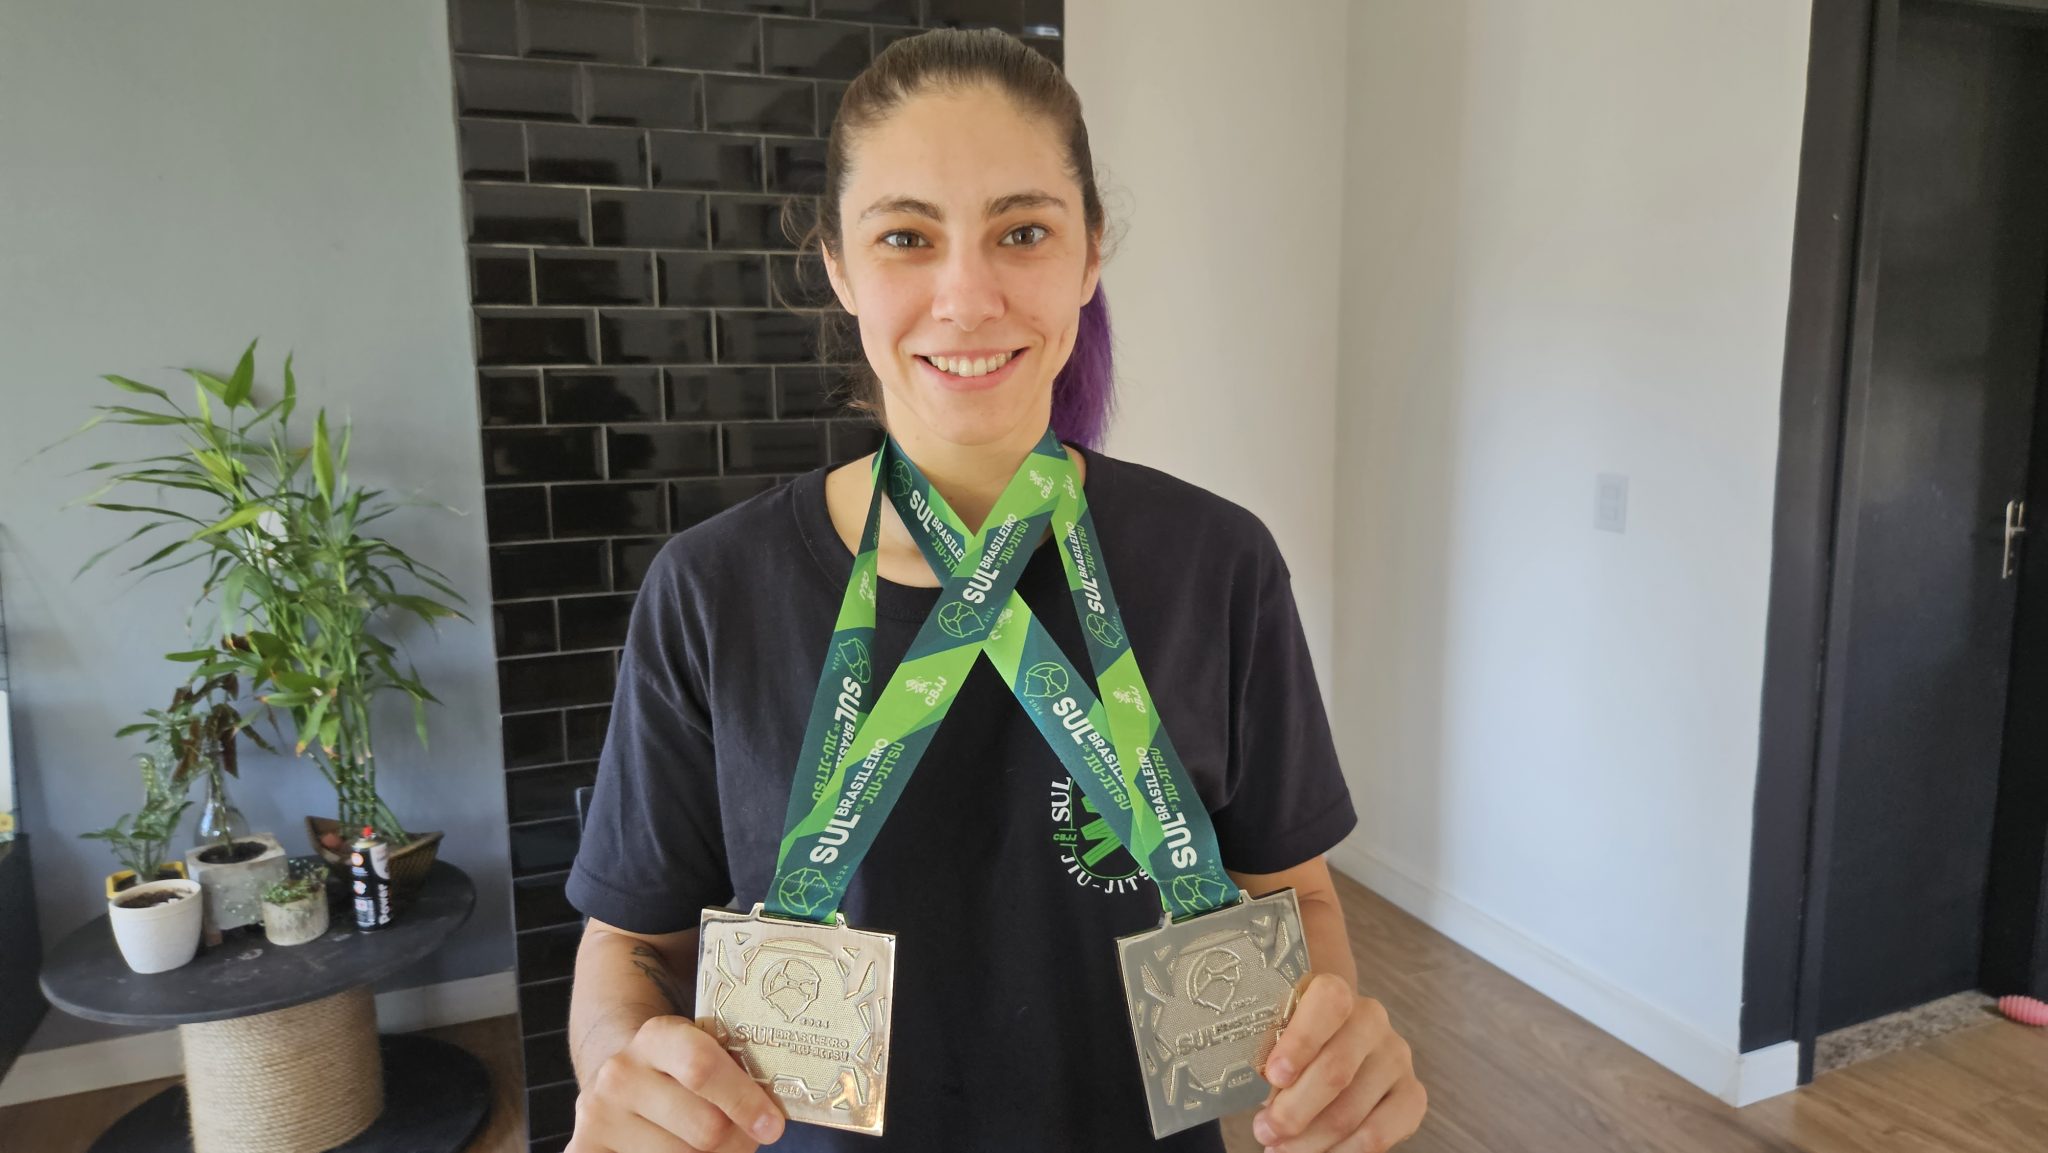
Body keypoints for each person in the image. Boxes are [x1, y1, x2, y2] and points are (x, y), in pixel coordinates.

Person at [562, 27, 1426, 1153]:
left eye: (1021, 232)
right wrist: (624, 1069)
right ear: (838, 266)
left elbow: (1294, 897)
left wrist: (1327, 1066)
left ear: (1090, 253)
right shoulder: (710, 591)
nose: (966, 298)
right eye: (905, 236)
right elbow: (631, 947)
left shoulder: (1218, 564)